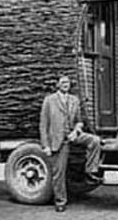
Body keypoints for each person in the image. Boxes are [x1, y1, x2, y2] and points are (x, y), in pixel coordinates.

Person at [39, 75, 102, 212]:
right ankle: (60, 201)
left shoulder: (74, 100)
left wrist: (76, 131)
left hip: (72, 136)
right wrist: (46, 146)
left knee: (95, 141)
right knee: (58, 173)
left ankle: (91, 171)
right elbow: (44, 125)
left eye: (67, 82)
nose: (65, 84)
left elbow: (79, 121)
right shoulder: (49, 101)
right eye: (62, 82)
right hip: (57, 140)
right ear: (57, 85)